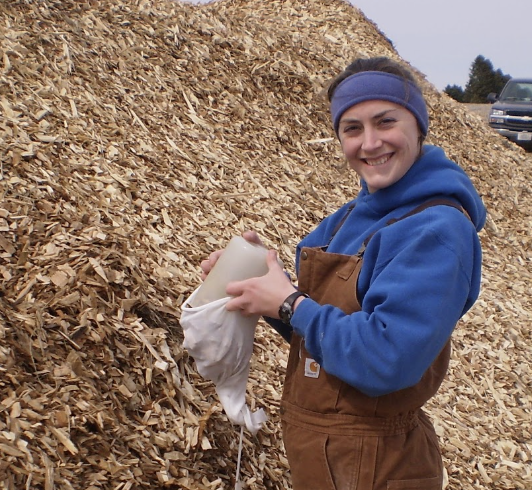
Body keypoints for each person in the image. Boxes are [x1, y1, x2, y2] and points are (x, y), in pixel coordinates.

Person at [199, 56, 486, 490]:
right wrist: (260, 289)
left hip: (376, 465)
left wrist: (290, 302)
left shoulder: (437, 228)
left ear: (419, 127)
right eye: (352, 128)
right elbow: (324, 329)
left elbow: (385, 359)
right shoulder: (353, 216)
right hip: (327, 456)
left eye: (385, 122)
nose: (370, 143)